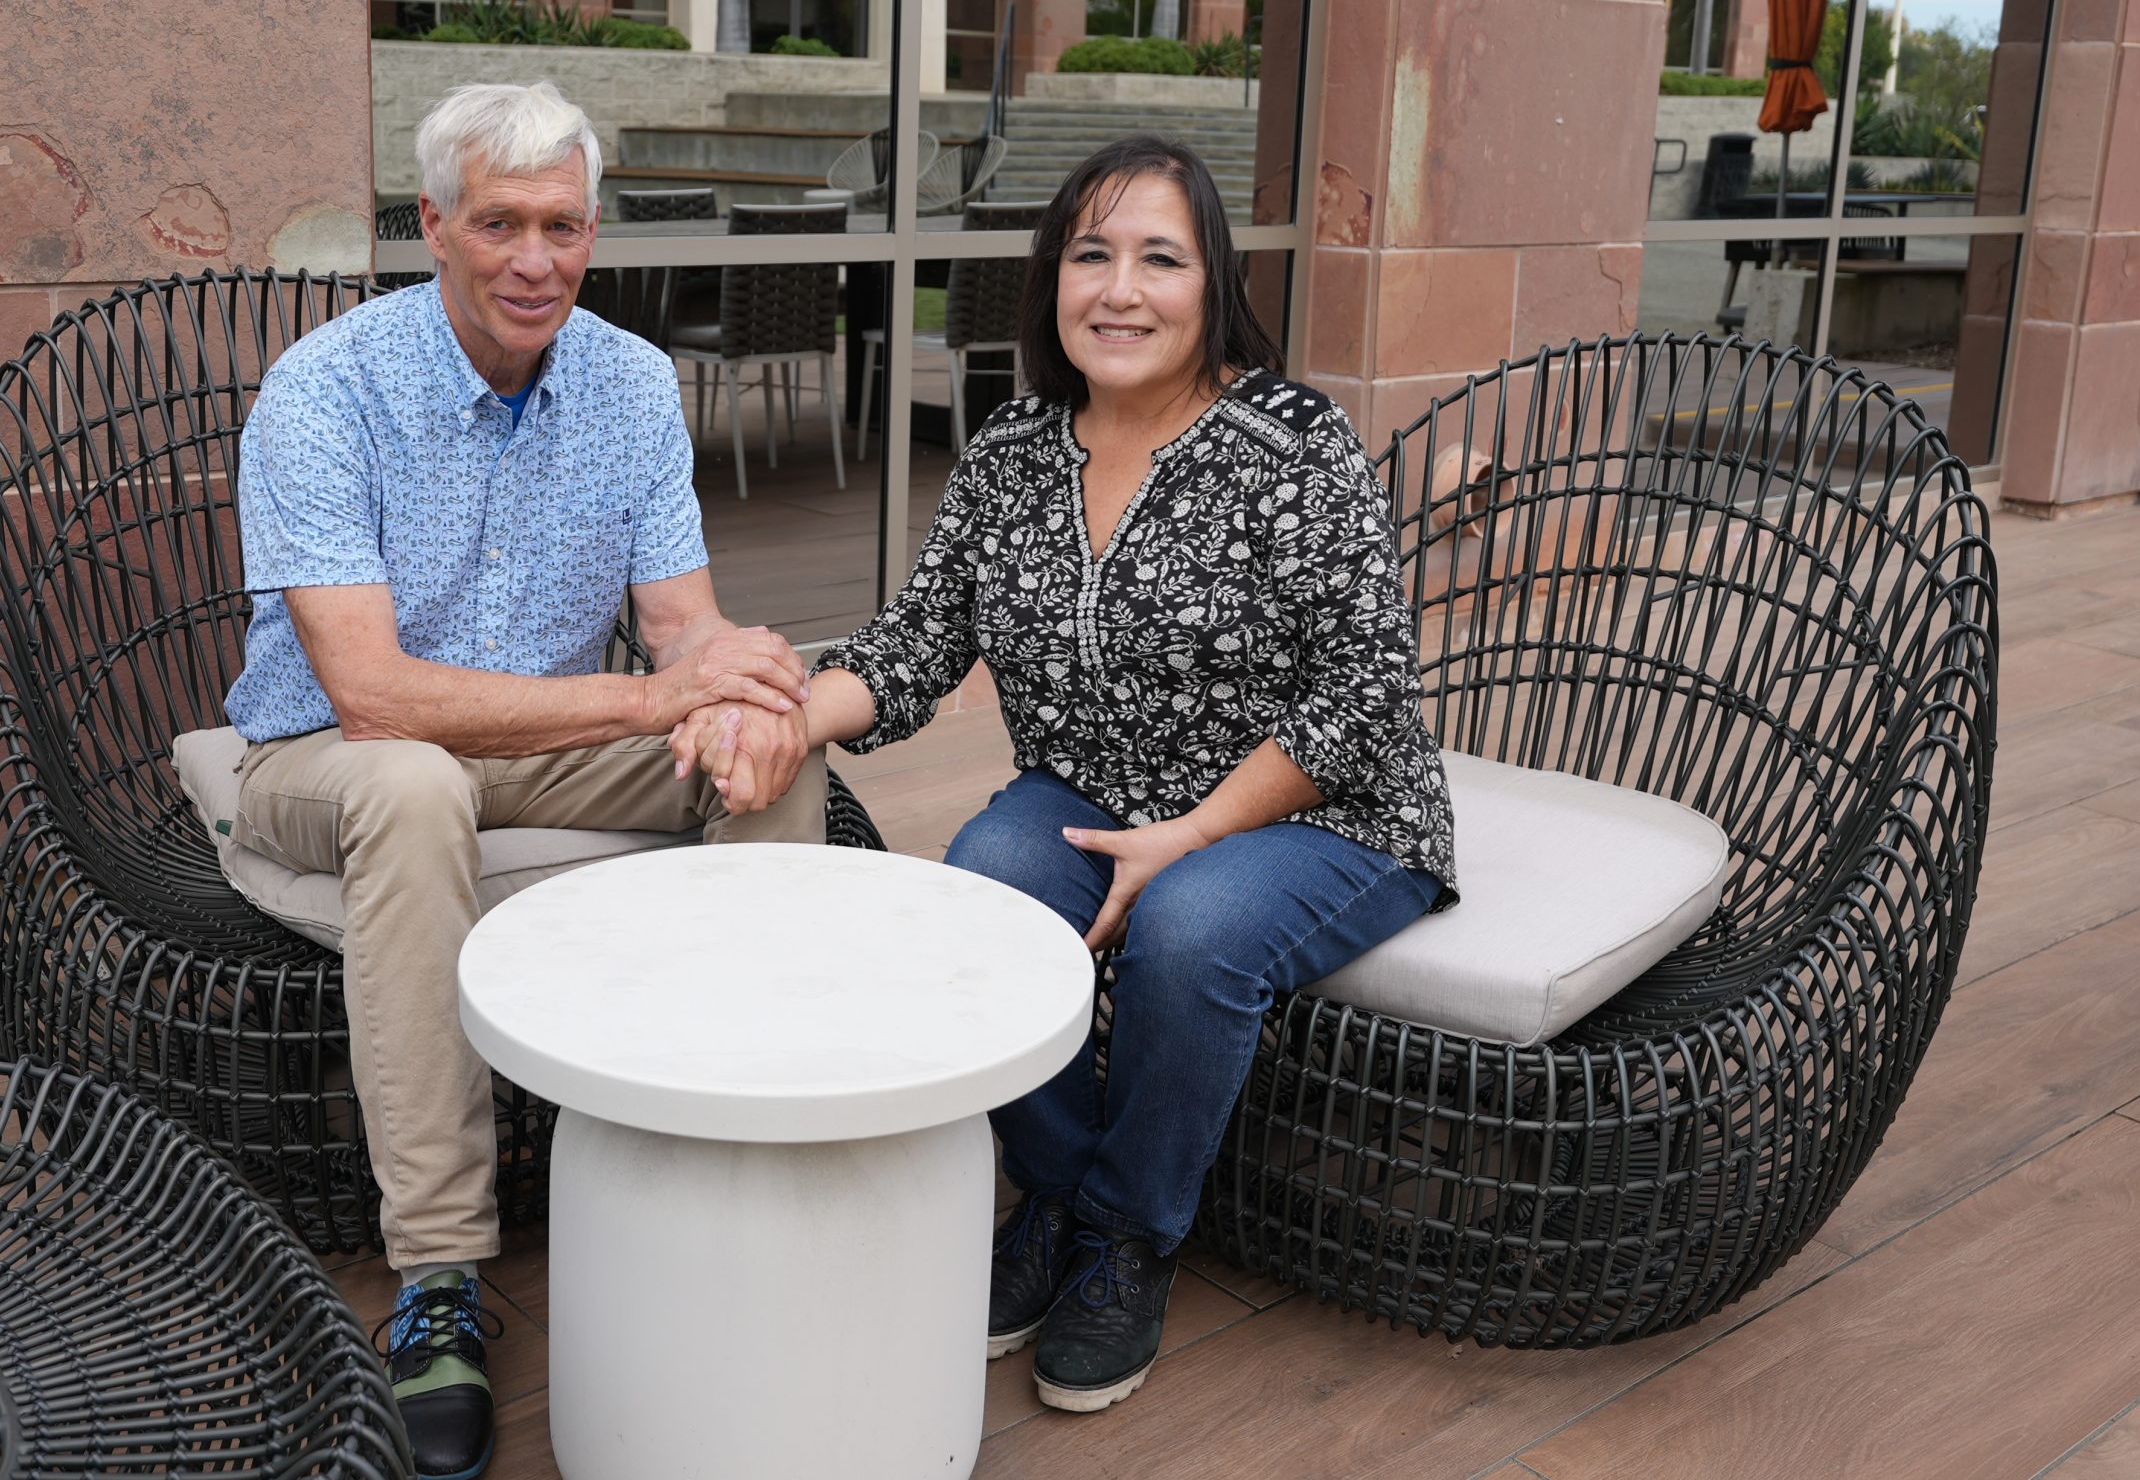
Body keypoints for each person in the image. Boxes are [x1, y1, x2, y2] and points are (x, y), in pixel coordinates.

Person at [676, 134, 1456, 1414]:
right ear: (1052, 279)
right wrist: (785, 721)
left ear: (1212, 285)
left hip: (1324, 810)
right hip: (1094, 788)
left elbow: (1365, 695)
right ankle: (1058, 1193)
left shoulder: (1291, 441)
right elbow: (919, 641)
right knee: (986, 879)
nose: (1121, 290)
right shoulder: (1014, 448)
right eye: (1092, 256)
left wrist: (1193, 833)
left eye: (1161, 259)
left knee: (1191, 926)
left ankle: (1128, 1235)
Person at [224, 81, 827, 1480]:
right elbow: (371, 696)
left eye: (563, 225)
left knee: (772, 759)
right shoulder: (325, 389)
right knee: (415, 785)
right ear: (433, 225)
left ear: (594, 231)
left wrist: (739, 690)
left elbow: (680, 628)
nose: (535, 260)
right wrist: (655, 697)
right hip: (328, 756)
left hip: (544, 752)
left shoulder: (629, 381)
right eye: (499, 223)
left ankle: (732, 1152)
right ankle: (439, 1274)